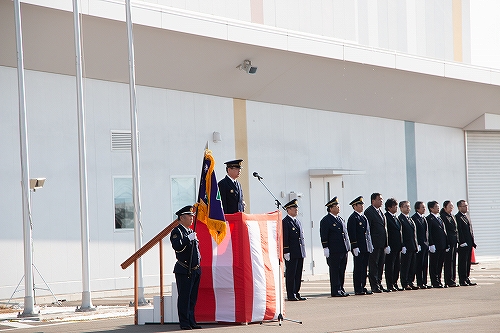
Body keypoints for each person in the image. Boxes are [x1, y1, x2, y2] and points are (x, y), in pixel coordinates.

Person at [170, 205, 202, 330]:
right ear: (182, 217)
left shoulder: (189, 231)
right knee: (184, 297)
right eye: (189, 216)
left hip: (194, 270)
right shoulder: (177, 231)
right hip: (184, 270)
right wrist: (188, 239)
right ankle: (184, 322)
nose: (192, 219)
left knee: (192, 298)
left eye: (192, 216)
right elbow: (177, 247)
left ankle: (191, 320)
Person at [320, 197, 350, 297]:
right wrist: (325, 247)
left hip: (343, 249)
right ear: (330, 208)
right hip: (334, 250)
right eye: (336, 206)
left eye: (338, 206)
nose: (338, 208)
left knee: (342, 270)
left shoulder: (340, 219)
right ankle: (335, 290)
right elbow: (324, 235)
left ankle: (341, 288)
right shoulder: (326, 220)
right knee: (335, 270)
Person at [347, 196, 374, 295]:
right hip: (358, 247)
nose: (362, 206)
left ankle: (363, 286)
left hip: (365, 247)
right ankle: (358, 288)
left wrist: (369, 245)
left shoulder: (363, 217)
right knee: (358, 268)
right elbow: (352, 233)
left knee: (364, 268)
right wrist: (354, 246)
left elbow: (367, 233)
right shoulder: (353, 218)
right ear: (354, 206)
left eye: (362, 204)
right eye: (360, 205)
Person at [364, 192, 390, 293]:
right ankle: (374, 285)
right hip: (374, 244)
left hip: (382, 243)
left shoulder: (381, 212)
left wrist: (386, 244)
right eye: (379, 199)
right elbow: (368, 230)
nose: (381, 201)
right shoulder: (369, 212)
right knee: (373, 265)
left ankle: (379, 283)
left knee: (380, 265)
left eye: (382, 199)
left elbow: (384, 229)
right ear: (373, 201)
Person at [282, 199, 307, 301]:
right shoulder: (285, 222)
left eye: (297, 208)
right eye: (294, 208)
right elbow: (285, 237)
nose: (296, 210)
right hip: (291, 252)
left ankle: (296, 292)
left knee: (298, 273)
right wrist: (286, 251)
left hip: (299, 251)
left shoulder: (297, 221)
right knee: (291, 274)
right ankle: (291, 294)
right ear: (288, 210)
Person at [455, 200, 477, 286]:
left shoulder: (467, 216)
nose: (466, 207)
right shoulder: (458, 217)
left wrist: (472, 242)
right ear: (459, 207)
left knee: (468, 262)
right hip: (463, 244)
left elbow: (470, 230)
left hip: (469, 243)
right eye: (464, 206)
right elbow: (459, 231)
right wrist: (462, 241)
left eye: (466, 205)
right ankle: (462, 279)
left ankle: (467, 277)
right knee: (462, 262)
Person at [399, 200, 419, 290]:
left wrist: (416, 245)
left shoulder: (410, 219)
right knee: (405, 266)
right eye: (406, 206)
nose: (408, 208)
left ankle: (411, 281)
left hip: (412, 245)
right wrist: (403, 245)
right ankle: (405, 282)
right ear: (401, 208)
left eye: (408, 206)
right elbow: (401, 234)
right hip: (406, 246)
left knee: (412, 265)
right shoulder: (400, 219)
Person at [427, 201, 447, 288]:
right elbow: (429, 233)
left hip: (442, 244)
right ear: (431, 208)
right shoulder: (429, 219)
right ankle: (434, 281)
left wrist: (446, 244)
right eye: (436, 207)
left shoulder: (439, 218)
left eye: (438, 206)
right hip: (435, 245)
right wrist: (431, 244)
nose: (438, 208)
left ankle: (439, 280)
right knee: (434, 264)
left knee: (440, 264)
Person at [384, 198, 403, 291]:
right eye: (395, 206)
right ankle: (390, 284)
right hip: (391, 245)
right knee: (390, 266)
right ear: (389, 207)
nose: (396, 208)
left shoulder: (396, 217)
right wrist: (386, 245)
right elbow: (386, 232)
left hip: (398, 246)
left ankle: (395, 283)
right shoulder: (386, 217)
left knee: (397, 266)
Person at [412, 201, 431, 289]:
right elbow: (415, 233)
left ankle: (424, 282)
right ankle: (419, 282)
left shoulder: (424, 218)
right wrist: (417, 244)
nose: (424, 209)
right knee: (419, 264)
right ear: (417, 208)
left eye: (424, 207)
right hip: (419, 245)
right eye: (422, 207)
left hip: (425, 245)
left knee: (424, 265)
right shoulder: (414, 218)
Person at [440, 200, 459, 287]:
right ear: (445, 207)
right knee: (448, 261)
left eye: (452, 206)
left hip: (454, 241)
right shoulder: (443, 216)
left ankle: (453, 279)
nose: (451, 208)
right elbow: (445, 231)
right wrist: (447, 243)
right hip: (449, 241)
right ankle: (448, 280)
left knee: (453, 261)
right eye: (449, 206)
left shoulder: (452, 216)